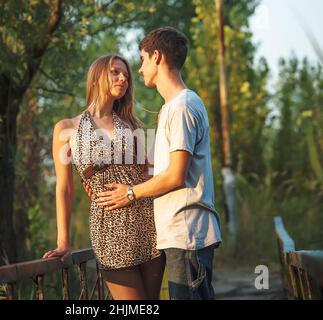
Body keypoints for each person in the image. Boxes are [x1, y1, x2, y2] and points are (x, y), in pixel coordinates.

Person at [94, 27, 222, 300]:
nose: (138, 70)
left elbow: (176, 175)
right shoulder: (172, 108)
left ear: (157, 56)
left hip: (187, 234)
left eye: (142, 60)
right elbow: (168, 169)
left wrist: (129, 193)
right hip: (181, 237)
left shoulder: (182, 106)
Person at [43, 54, 165, 300]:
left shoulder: (134, 126)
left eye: (126, 76)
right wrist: (63, 242)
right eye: (115, 72)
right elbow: (64, 189)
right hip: (109, 230)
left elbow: (153, 176)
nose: (123, 79)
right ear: (97, 77)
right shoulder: (66, 129)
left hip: (150, 226)